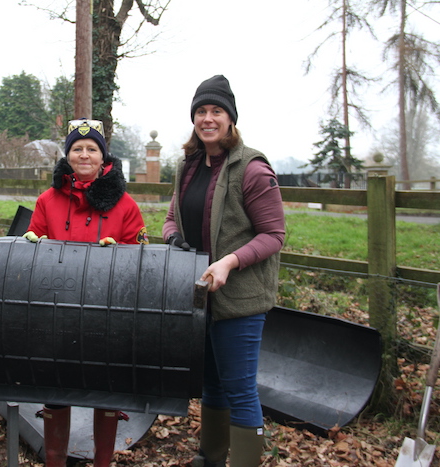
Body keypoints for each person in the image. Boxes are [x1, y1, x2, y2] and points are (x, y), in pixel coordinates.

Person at [162, 75, 285, 467]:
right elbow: (171, 218)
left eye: (216, 111)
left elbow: (274, 235)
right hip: (200, 294)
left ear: (231, 119)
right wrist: (173, 239)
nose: (208, 118)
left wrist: (230, 261)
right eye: (201, 111)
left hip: (241, 299)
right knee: (211, 382)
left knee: (239, 388)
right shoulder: (189, 166)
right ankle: (211, 457)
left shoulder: (251, 168)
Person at [23, 118, 149, 467]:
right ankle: (55, 461)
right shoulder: (47, 200)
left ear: (103, 157)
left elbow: (140, 261)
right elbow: (31, 248)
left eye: (91, 148)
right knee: (56, 390)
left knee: (105, 391)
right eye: (77, 148)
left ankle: (103, 463)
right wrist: (32, 246)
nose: (84, 154)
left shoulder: (125, 205)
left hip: (105, 315)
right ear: (67, 156)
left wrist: (123, 254)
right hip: (56, 313)